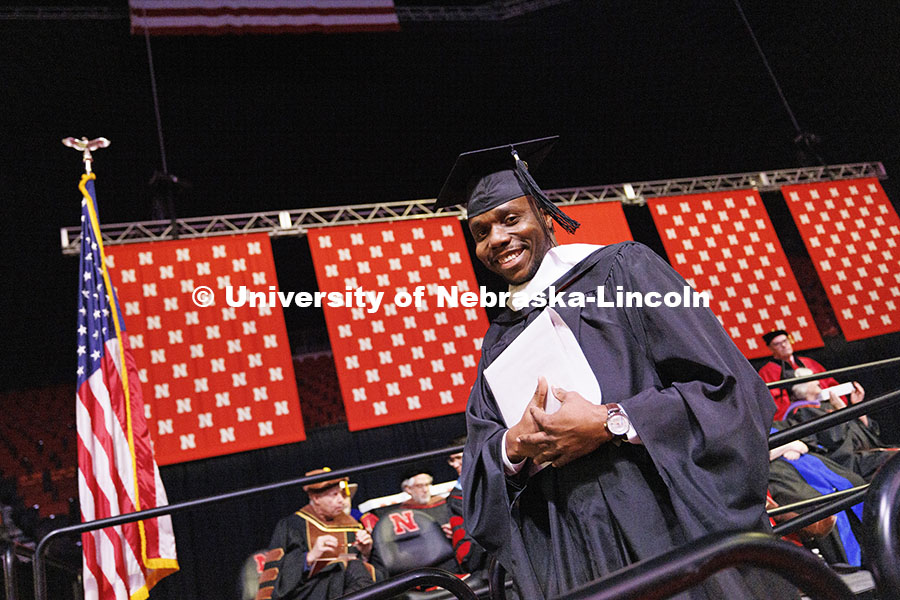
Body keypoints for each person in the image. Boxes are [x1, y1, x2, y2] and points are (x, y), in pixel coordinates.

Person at [435, 137, 793, 599]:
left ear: (545, 215)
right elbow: (479, 466)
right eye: (480, 232)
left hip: (670, 525)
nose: (496, 239)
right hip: (577, 553)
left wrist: (611, 421)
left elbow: (728, 389)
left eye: (509, 219)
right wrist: (515, 443)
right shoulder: (499, 340)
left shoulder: (626, 270)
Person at [257, 468, 375, 600]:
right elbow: (276, 577)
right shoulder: (292, 526)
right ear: (316, 498)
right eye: (334, 495)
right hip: (309, 593)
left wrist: (366, 553)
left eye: (341, 494)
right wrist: (309, 557)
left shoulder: (352, 525)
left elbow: (372, 572)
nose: (341, 500)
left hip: (346, 588)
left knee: (356, 567)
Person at [786, 381, 897, 480]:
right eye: (811, 379)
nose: (818, 381)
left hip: (870, 456)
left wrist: (857, 406)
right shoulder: (802, 411)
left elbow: (870, 433)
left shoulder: (828, 406)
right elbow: (835, 440)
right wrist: (842, 413)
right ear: (801, 388)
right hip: (851, 464)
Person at [757, 329, 843, 420]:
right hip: (797, 416)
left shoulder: (808, 362)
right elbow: (771, 403)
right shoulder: (767, 372)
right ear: (770, 348)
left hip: (825, 407)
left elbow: (830, 383)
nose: (783, 345)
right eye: (777, 344)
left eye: (785, 341)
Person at [445, 436, 488, 574]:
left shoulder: (497, 478)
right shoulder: (456, 498)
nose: (455, 465)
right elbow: (467, 557)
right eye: (452, 460)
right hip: (483, 561)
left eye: (459, 458)